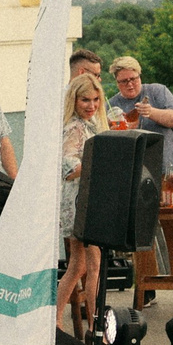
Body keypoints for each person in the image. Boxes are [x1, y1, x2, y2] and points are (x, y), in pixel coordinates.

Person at [56, 72, 108, 326]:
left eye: (96, 99)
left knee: (78, 267)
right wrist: (97, 161)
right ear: (74, 101)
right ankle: (96, 326)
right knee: (92, 265)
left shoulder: (91, 126)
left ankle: (55, 322)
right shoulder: (74, 128)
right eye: (85, 100)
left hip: (85, 201)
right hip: (80, 202)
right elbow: (67, 168)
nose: (91, 105)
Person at [106, 56, 173, 180]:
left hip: (169, 170)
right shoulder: (111, 106)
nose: (130, 84)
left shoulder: (158, 91)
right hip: (133, 175)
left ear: (139, 76)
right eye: (124, 81)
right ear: (117, 82)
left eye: (133, 79)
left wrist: (151, 112)